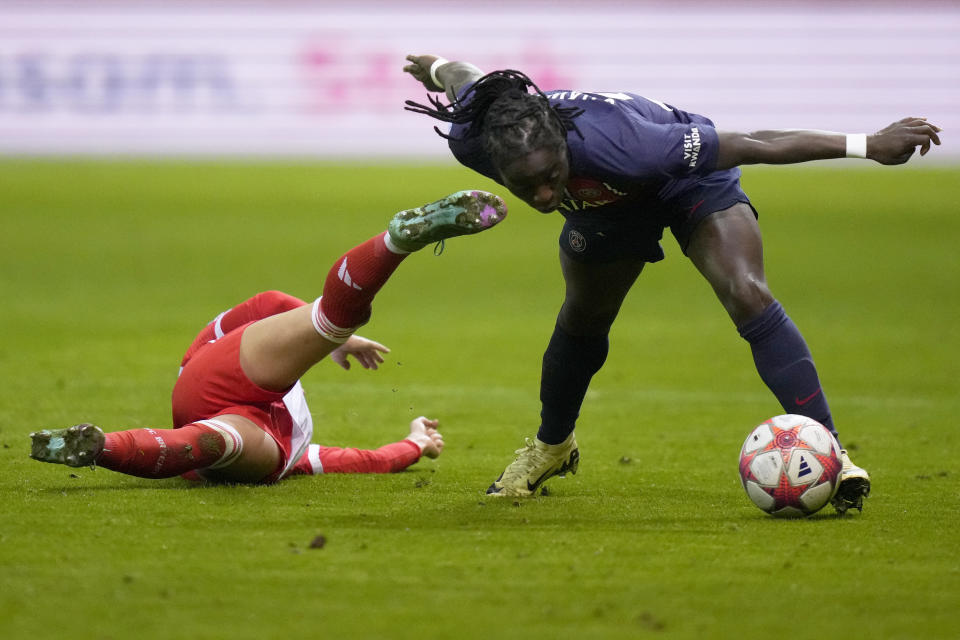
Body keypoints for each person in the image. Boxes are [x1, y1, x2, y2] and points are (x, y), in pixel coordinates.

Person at [402, 54, 943, 513]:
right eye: (527, 187)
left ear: (564, 148)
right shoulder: (475, 138)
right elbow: (467, 80)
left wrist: (868, 143)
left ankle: (833, 451)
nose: (544, 196)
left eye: (550, 177)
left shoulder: (628, 143)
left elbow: (754, 142)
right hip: (604, 205)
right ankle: (552, 445)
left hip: (685, 183)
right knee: (583, 318)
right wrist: (435, 66)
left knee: (745, 291)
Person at [30, 190, 507, 484]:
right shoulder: (298, 453)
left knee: (225, 441)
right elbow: (267, 305)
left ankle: (98, 446)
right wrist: (415, 445)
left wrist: (414, 444)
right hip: (224, 398)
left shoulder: (300, 455)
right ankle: (399, 242)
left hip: (222, 407)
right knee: (325, 333)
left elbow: (367, 460)